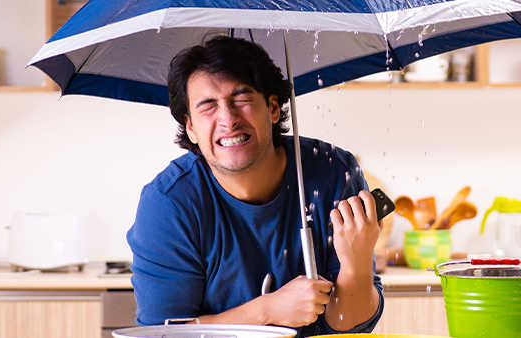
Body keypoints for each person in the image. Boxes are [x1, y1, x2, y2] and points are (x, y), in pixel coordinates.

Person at [126, 35, 384, 337]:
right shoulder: (170, 204)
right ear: (191, 128)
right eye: (208, 105)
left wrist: (356, 265)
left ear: (273, 108)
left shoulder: (332, 173)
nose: (228, 119)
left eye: (242, 98)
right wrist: (268, 311)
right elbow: (161, 335)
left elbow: (350, 324)